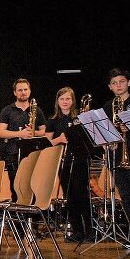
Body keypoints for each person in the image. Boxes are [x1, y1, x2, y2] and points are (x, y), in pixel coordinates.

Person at [45, 87, 93, 243]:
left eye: (68, 99)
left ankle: (90, 230)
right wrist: (58, 140)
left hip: (80, 161)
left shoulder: (80, 117)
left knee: (83, 196)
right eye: (62, 99)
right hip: (63, 163)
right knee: (70, 197)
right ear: (57, 101)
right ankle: (77, 230)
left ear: (73, 101)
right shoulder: (52, 121)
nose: (65, 102)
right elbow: (47, 143)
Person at [102, 68, 130, 243]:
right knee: (125, 196)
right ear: (110, 87)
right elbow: (103, 133)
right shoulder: (106, 106)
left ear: (129, 83)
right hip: (117, 157)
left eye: (122, 81)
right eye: (114, 83)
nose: (118, 85)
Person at [0, 78, 47, 198]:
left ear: (29, 91)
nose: (23, 92)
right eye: (20, 90)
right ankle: (19, 215)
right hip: (13, 154)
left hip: (33, 154)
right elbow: (1, 133)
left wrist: (32, 132)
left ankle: (33, 215)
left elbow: (45, 131)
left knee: (33, 187)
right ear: (15, 93)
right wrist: (20, 134)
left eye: (25, 89)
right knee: (16, 187)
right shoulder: (7, 110)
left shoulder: (37, 110)